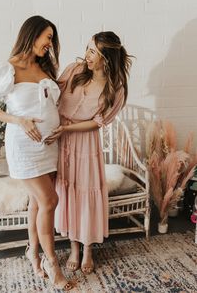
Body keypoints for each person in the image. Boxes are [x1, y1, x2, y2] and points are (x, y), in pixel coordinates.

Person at [0, 16, 73, 291]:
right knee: (49, 200)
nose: (50, 43)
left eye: (52, 38)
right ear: (31, 35)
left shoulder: (45, 67)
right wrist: (19, 120)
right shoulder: (8, 70)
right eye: (47, 37)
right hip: (23, 145)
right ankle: (51, 262)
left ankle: (33, 252)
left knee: (37, 204)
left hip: (49, 146)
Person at [45, 31, 132, 274]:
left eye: (93, 51)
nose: (87, 55)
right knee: (69, 192)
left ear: (107, 57)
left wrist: (67, 128)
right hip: (62, 142)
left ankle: (88, 249)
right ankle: (74, 247)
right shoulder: (74, 70)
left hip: (85, 143)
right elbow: (51, 93)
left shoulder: (116, 88)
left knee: (85, 194)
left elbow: (98, 122)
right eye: (87, 48)